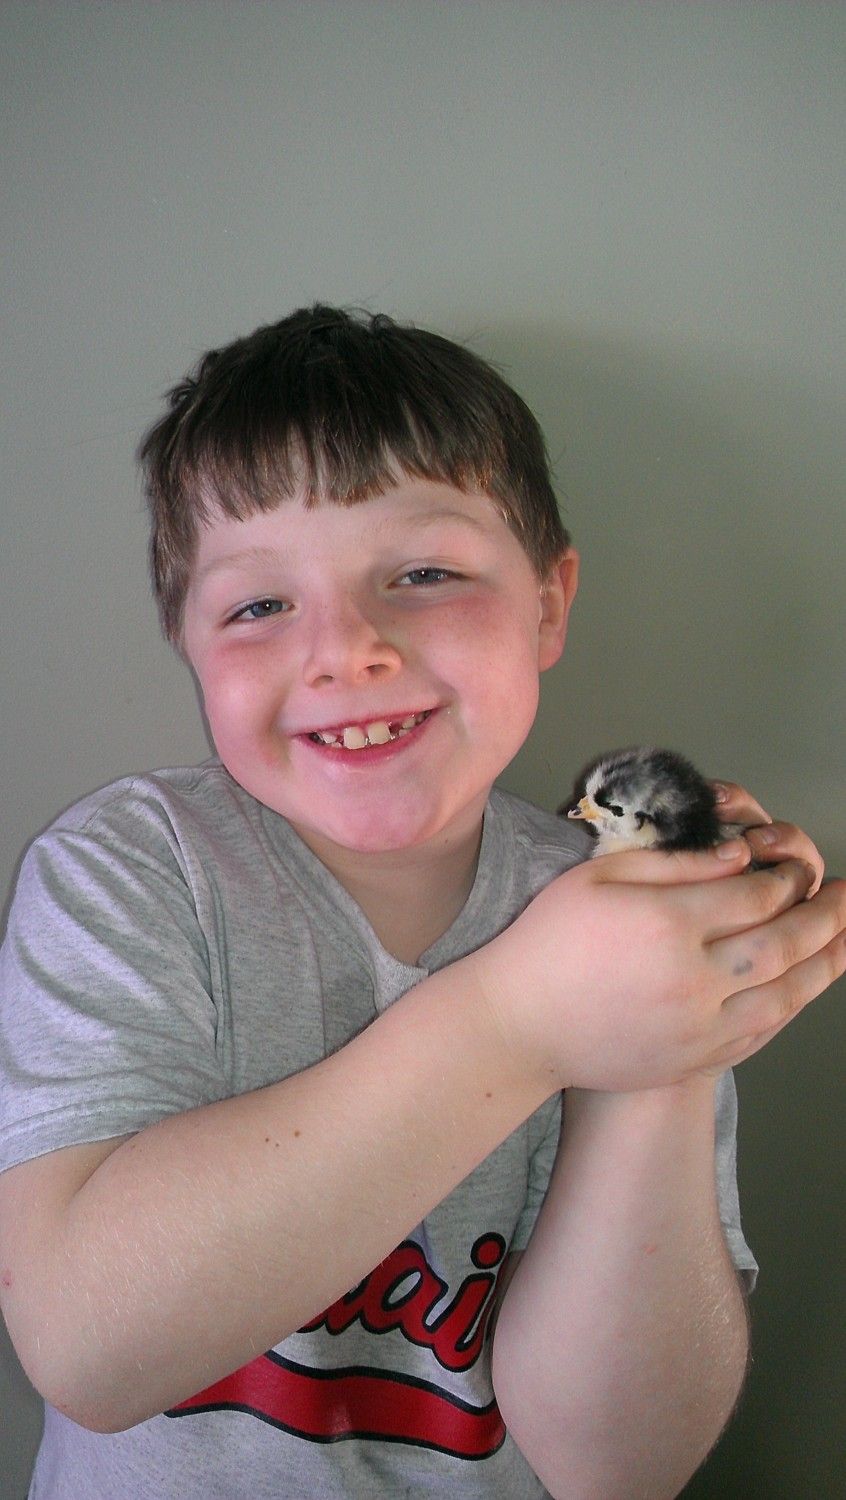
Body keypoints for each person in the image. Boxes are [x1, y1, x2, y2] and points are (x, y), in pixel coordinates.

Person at [0, 305, 843, 1500]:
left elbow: (616, 1467)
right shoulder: (126, 870)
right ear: (187, 638)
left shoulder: (620, 925)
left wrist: (658, 1047)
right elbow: (91, 1348)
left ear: (548, 604)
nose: (348, 648)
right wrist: (518, 1022)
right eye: (257, 605)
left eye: (426, 574)